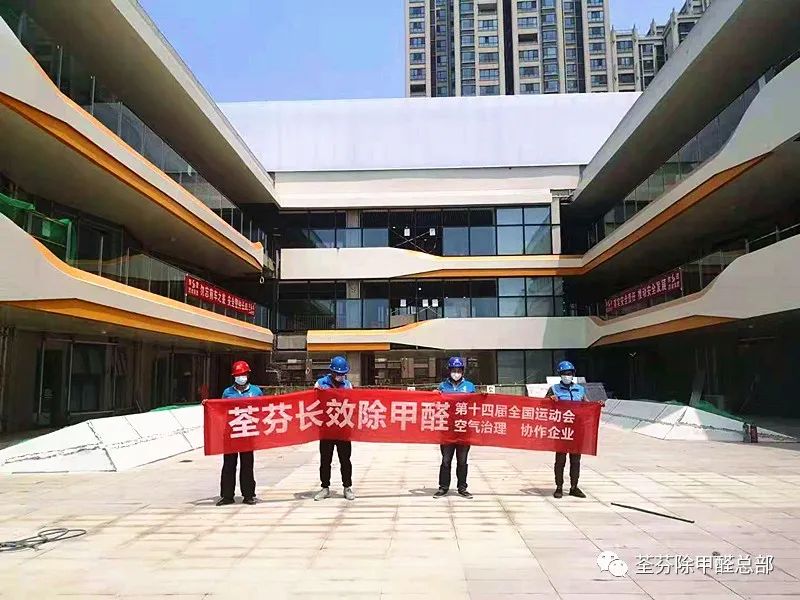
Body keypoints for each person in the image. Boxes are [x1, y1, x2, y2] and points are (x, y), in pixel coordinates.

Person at [217, 360, 263, 506]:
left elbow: (263, 410)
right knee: (229, 465)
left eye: (243, 374)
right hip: (231, 434)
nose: (241, 377)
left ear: (248, 375)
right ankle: (227, 496)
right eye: (238, 375)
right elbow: (221, 411)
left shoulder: (256, 391)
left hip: (247, 433)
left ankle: (248, 495)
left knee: (247, 465)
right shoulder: (227, 392)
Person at [313, 356, 355, 501]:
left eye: (343, 374)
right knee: (325, 460)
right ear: (331, 372)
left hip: (343, 429)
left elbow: (352, 404)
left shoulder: (348, 385)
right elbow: (313, 402)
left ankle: (347, 487)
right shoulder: (321, 384)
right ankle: (325, 487)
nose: (340, 376)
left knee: (345, 460)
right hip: (326, 429)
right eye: (338, 374)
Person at [434, 357, 476, 499]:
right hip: (447, 429)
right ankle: (443, 487)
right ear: (449, 371)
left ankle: (462, 488)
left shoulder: (469, 386)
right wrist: (433, 395)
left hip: (464, 429)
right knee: (446, 460)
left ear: (463, 371)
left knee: (462, 460)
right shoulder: (442, 386)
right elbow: (436, 405)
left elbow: (476, 405)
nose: (456, 373)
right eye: (454, 370)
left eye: (459, 370)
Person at [546, 360, 587, 499]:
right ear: (560, 375)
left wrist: (597, 405)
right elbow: (543, 406)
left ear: (573, 374)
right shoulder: (554, 389)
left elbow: (587, 406)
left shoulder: (580, 389)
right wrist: (550, 399)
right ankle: (559, 487)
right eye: (564, 373)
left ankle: (574, 487)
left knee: (575, 460)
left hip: (577, 430)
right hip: (561, 430)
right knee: (560, 460)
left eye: (569, 373)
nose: (567, 375)